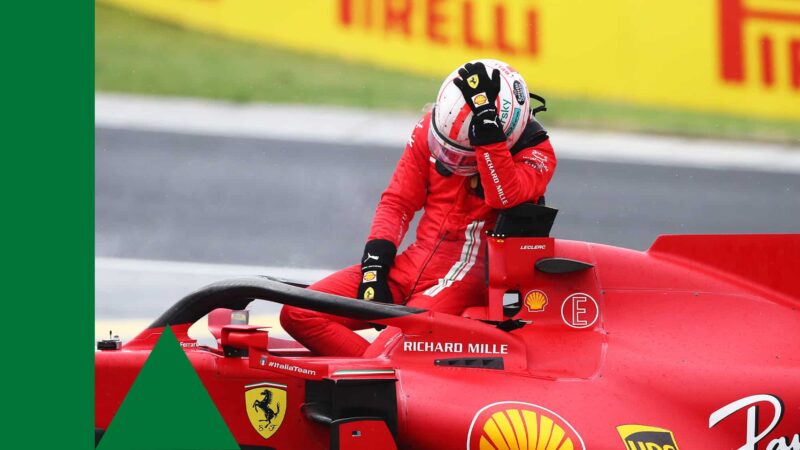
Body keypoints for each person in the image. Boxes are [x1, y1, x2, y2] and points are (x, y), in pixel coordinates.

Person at [280, 59, 557, 356]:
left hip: (466, 277)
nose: (449, 159)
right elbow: (398, 202)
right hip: (414, 262)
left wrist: (489, 140)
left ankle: (377, 380)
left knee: (395, 346)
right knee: (297, 312)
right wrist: (375, 266)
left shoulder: (538, 154)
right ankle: (368, 379)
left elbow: (504, 197)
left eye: (462, 154)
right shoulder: (432, 126)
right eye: (444, 146)